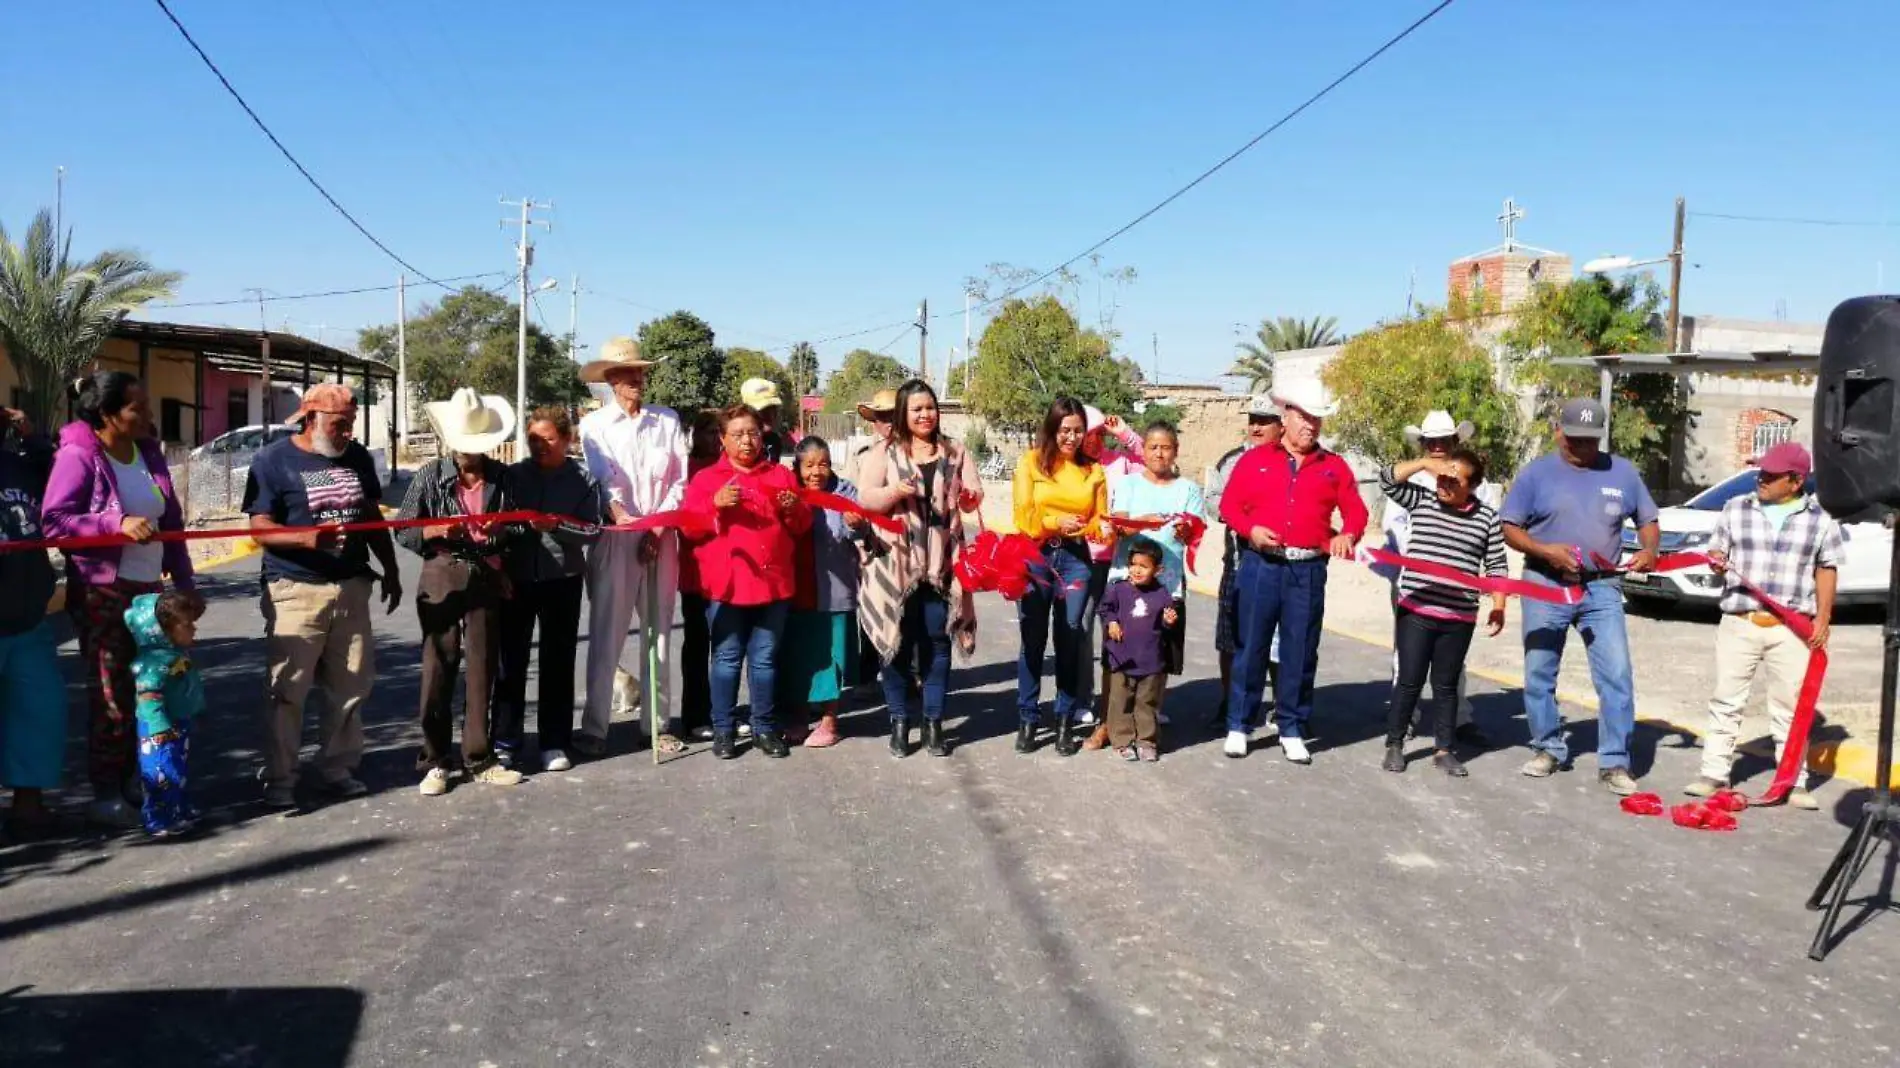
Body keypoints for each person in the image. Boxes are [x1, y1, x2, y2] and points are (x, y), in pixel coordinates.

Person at [42, 371, 198, 827]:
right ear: (108, 415)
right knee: (112, 695)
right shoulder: (78, 455)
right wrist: (113, 524)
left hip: (151, 593)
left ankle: (142, 778)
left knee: (152, 689)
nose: (149, 416)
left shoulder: (149, 453)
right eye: (138, 408)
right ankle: (106, 791)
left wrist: (185, 585)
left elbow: (171, 522)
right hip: (103, 591)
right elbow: (53, 522)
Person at [244, 382, 401, 809]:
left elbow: (370, 515)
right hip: (295, 590)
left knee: (350, 686)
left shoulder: (357, 457)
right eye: (339, 424)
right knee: (287, 690)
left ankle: (337, 768)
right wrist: (304, 538)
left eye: (350, 424)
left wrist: (389, 568)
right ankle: (280, 779)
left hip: (350, 587)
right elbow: (258, 527)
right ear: (311, 418)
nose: (347, 433)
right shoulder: (272, 460)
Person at [1500, 398, 1661, 795]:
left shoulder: (1622, 472)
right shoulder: (1536, 475)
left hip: (1602, 587)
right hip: (1544, 583)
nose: (1582, 448)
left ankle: (1615, 762)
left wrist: (1650, 550)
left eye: (1590, 441)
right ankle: (1548, 747)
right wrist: (1544, 550)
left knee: (1616, 674)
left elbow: (1648, 520)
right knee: (1540, 670)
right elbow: (1510, 527)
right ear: (1558, 432)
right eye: (1574, 439)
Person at [1218, 380, 1367, 764]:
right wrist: (1249, 529)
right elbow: (1230, 506)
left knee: (1300, 650)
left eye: (1317, 419)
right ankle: (1239, 724)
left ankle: (1291, 727)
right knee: (1250, 646)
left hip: (1307, 571)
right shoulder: (1255, 460)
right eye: (1304, 417)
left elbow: (1356, 511)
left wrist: (1348, 535)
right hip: (1260, 565)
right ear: (1285, 417)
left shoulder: (1333, 467)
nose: (1310, 426)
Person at [1686, 442, 1839, 809]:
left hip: (1790, 627)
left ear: (1796, 481)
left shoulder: (1820, 520)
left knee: (1790, 706)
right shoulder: (1735, 508)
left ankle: (1792, 780)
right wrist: (1718, 560)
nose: (1761, 479)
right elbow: (1717, 550)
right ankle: (1713, 773)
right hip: (1739, 621)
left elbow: (1826, 567)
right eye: (1760, 471)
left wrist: (1823, 616)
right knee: (1726, 700)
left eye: (1771, 475)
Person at [397, 389, 527, 796]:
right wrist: (432, 530)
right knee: (438, 668)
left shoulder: (504, 478)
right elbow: (403, 528)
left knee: (483, 669)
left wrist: (502, 531)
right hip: (441, 572)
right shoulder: (429, 476)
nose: (470, 454)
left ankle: (479, 756)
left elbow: (522, 526)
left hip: (487, 573)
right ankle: (435, 760)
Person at [857, 378, 982, 758]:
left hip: (942, 564)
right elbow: (865, 498)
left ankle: (932, 722)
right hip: (894, 564)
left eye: (930, 407)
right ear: (903, 414)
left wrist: (968, 496)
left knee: (937, 641)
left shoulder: (956, 451)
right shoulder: (884, 453)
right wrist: (896, 492)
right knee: (895, 646)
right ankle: (899, 722)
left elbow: (974, 497)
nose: (925, 414)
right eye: (917, 409)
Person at [578, 337, 689, 757]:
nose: (636, 380)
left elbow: (679, 480)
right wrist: (624, 519)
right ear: (610, 379)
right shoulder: (595, 426)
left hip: (662, 536)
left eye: (640, 372)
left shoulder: (667, 421)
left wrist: (658, 529)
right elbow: (603, 480)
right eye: (627, 374)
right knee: (607, 631)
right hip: (617, 536)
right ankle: (595, 726)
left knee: (659, 631)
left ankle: (657, 725)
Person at [682, 405, 812, 759]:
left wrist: (792, 509)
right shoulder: (707, 479)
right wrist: (714, 504)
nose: (746, 441)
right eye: (737, 434)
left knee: (764, 661)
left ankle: (763, 727)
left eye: (753, 433)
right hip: (727, 587)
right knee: (725, 659)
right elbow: (689, 529)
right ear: (722, 439)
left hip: (773, 585)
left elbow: (801, 527)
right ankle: (723, 729)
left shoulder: (781, 476)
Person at [1377, 449, 1507, 777]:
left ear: (1472, 486)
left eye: (1454, 481)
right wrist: (1423, 464)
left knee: (1446, 686)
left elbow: (1496, 565)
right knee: (1409, 680)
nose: (1444, 485)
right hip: (1416, 611)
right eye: (1442, 478)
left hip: (1458, 617)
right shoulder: (1421, 500)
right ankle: (1395, 744)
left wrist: (1499, 605)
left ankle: (1444, 749)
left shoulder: (1487, 518)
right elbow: (1387, 480)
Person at [494, 406, 604, 774]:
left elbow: (593, 530)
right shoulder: (512, 476)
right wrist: (501, 563)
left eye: (548, 440)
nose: (540, 447)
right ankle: (506, 741)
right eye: (533, 440)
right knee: (511, 663)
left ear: (567, 439)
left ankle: (554, 741)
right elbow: (498, 526)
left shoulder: (584, 479)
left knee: (558, 663)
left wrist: (555, 527)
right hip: (517, 579)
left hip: (563, 579)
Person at [1084, 421, 1204, 751]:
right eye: (1153, 446)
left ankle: (1145, 724)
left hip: (1166, 587)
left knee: (1157, 658)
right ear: (1143, 450)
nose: (1159, 453)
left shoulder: (1189, 489)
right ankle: (1107, 723)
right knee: (1115, 656)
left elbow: (1194, 530)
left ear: (1175, 451)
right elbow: (1117, 523)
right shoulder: (1127, 484)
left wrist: (1185, 533)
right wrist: (1136, 525)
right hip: (1125, 583)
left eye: (1166, 447)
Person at [1012, 396, 1109, 756]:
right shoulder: (1031, 463)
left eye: (1078, 430)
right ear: (1052, 429)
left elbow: (1101, 517)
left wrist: (1104, 529)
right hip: (1036, 556)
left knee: (1070, 639)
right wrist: (1055, 522)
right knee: (1032, 640)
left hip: (1076, 561)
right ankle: (1027, 717)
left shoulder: (1093, 470)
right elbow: (1023, 517)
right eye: (1065, 430)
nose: (1071, 437)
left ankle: (1065, 720)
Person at [0, 406, 63, 838]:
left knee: (39, 714)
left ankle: (28, 809)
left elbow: (55, 472)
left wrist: (31, 433)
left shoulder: (17, 465)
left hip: (27, 617)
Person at [781, 438, 865, 749]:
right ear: (798, 468)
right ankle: (800, 717)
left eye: (824, 463)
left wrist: (856, 525)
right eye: (810, 465)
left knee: (834, 657)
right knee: (801, 657)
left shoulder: (845, 492)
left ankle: (830, 722)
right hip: (797, 589)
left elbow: (860, 533)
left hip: (835, 590)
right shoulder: (790, 494)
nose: (818, 471)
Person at [1206, 396, 1282, 728]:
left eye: (1264, 420)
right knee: (1230, 638)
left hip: (1282, 565)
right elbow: (1212, 502)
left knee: (1279, 641)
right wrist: (1243, 515)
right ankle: (1230, 701)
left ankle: (1283, 706)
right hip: (1238, 563)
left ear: (1281, 426)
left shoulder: (1293, 461)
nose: (1255, 426)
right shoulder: (1232, 460)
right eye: (1252, 419)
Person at [1077, 407, 1144, 732]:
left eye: (1099, 434)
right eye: (1088, 434)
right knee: (1081, 628)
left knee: (1120, 631)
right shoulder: (1069, 465)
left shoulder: (1119, 460)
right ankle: (1083, 697)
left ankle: (1130, 701)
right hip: (1082, 559)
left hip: (1118, 560)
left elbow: (1154, 463)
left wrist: (1126, 435)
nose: (1093, 441)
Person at [126, 590, 205, 836]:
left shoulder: (172, 655)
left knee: (176, 768)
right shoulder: (154, 662)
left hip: (177, 723)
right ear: (162, 630)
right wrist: (158, 726)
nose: (193, 629)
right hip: (159, 729)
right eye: (187, 624)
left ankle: (177, 809)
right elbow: (148, 695)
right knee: (160, 772)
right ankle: (159, 818)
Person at [1098, 537, 1179, 763]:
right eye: (1133, 564)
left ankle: (1146, 741)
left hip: (1150, 660)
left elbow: (1164, 624)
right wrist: (1112, 622)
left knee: (1147, 702)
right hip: (1122, 657)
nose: (1136, 570)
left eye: (1144, 566)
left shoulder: (1162, 594)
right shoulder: (1118, 590)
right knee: (1120, 701)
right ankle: (1122, 741)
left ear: (1158, 569)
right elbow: (1105, 610)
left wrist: (1168, 620)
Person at [844, 388, 899, 691]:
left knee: (907, 612)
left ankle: (910, 675)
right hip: (871, 542)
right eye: (881, 418)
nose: (887, 424)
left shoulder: (914, 452)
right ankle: (866, 674)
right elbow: (851, 497)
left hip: (905, 543)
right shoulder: (861, 454)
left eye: (892, 417)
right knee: (871, 608)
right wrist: (856, 537)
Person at [678, 410, 723, 742]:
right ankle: (694, 716)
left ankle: (722, 712)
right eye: (706, 431)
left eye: (717, 431)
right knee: (697, 645)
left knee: (727, 648)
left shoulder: (730, 467)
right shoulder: (686, 470)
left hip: (728, 572)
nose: (712, 437)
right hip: (696, 570)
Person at [742, 377, 798, 465]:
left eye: (773, 408)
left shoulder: (773, 441)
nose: (770, 415)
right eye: (763, 410)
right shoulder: (736, 444)